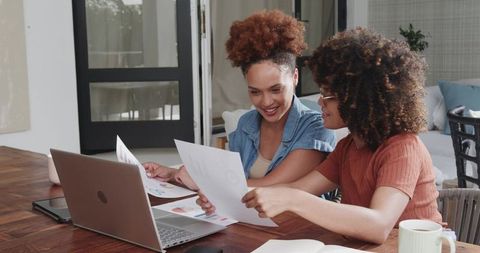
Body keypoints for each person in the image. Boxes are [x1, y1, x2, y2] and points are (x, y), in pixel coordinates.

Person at [201, 27, 443, 244]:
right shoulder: (348, 147)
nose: (320, 102)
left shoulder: (402, 147)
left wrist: (292, 199)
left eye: (329, 96)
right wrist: (225, 197)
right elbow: (298, 188)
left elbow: (378, 226)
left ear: (358, 100)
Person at [143, 10, 336, 190]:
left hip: (295, 225)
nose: (266, 102)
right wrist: (173, 174)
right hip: (248, 222)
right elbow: (232, 180)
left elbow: (274, 186)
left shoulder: (316, 127)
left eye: (275, 89)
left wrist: (206, 184)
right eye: (255, 92)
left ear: (295, 77)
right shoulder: (246, 124)